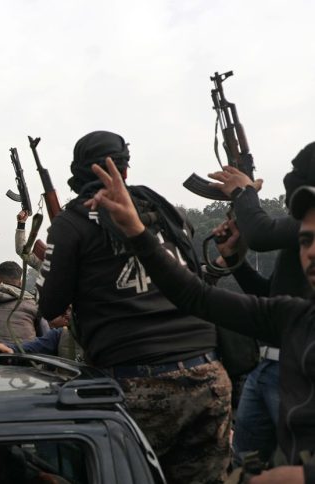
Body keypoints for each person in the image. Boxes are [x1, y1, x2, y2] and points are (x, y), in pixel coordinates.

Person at [86, 156, 315, 484]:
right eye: (305, 240)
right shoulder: (295, 316)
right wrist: (136, 231)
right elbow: (196, 296)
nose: (311, 251)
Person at [36, 131, 230, 483]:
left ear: (77, 173)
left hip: (134, 380)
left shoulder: (73, 221)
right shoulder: (164, 210)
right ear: (125, 170)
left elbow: (50, 306)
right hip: (208, 372)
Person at [208, 143, 315, 466]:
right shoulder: (300, 240)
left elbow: (262, 234)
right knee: (248, 467)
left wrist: (243, 193)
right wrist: (233, 260)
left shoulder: (305, 227)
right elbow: (270, 295)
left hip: (296, 370)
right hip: (266, 365)